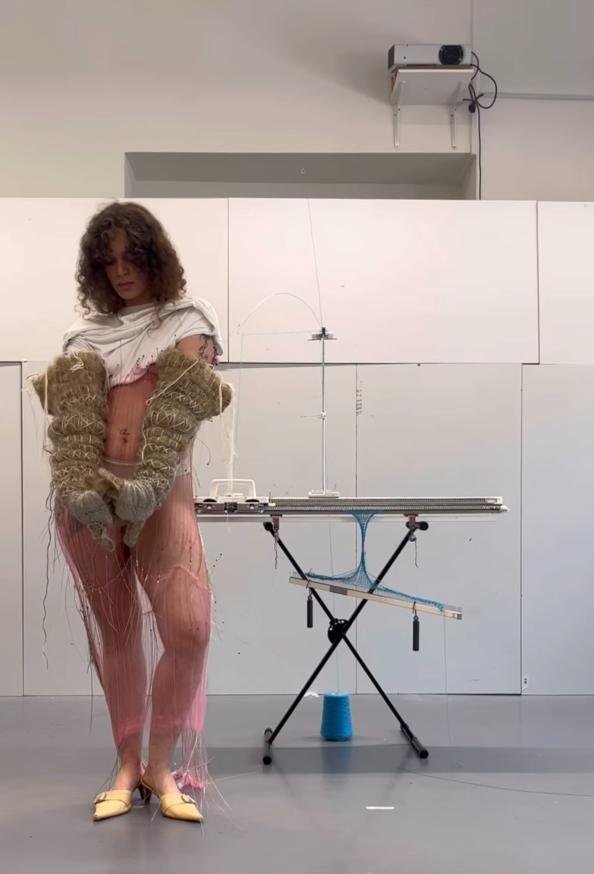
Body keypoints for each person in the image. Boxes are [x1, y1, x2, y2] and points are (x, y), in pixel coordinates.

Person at [31, 201, 232, 823]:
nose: (121, 271)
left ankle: (159, 766)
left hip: (160, 494)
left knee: (189, 629)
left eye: (132, 257)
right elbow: (73, 425)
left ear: (155, 258)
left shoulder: (187, 321)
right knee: (116, 632)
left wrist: (149, 483)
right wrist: (77, 487)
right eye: (108, 261)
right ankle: (126, 763)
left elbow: (181, 414)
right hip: (89, 500)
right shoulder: (85, 335)